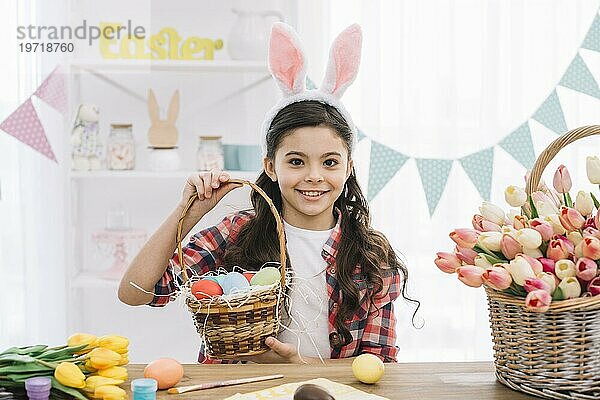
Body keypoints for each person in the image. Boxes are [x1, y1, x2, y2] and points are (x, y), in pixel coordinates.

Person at [118, 22, 418, 364]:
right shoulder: (238, 233)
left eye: (330, 162)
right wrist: (188, 212)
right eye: (296, 161)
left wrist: (297, 369)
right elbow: (135, 292)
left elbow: (379, 363)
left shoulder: (370, 254)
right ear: (271, 167)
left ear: (349, 167)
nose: (314, 176)